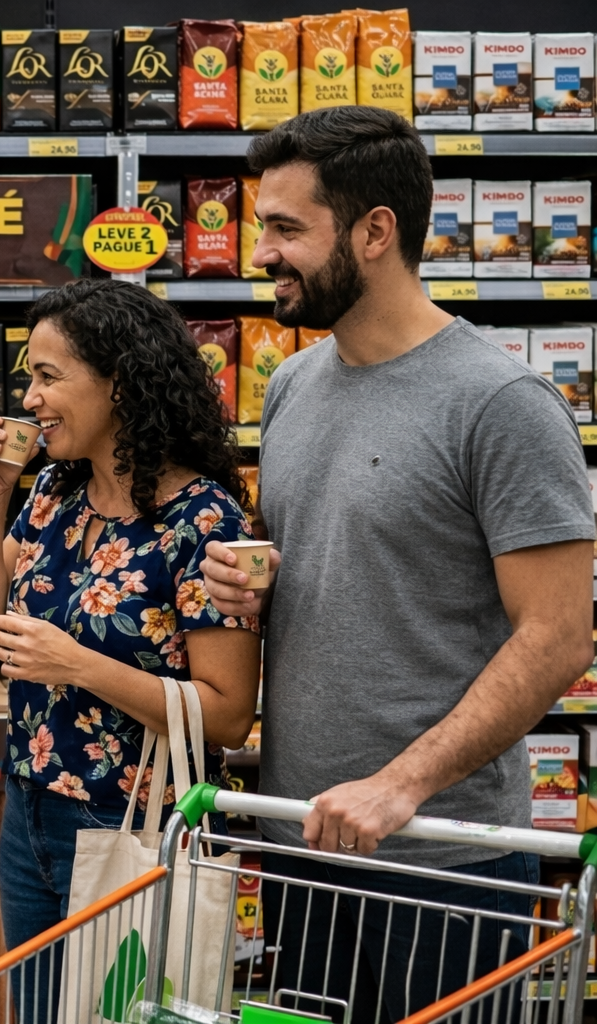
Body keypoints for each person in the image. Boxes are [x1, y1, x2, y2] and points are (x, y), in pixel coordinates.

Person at [200, 106, 594, 1023]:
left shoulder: (501, 403)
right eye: (263, 225)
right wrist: (248, 588)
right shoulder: (295, 383)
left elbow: (559, 636)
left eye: (288, 229)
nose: (262, 252)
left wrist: (400, 784)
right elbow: (347, 577)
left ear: (376, 231)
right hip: (305, 849)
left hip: (442, 862)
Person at [0, 278, 262, 991]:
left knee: (121, 1009)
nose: (28, 398)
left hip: (138, 823)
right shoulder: (54, 494)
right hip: (29, 808)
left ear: (119, 384)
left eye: (47, 376)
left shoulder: (204, 520)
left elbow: (226, 715)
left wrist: (79, 665)